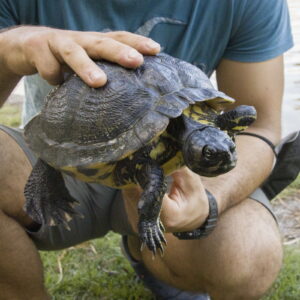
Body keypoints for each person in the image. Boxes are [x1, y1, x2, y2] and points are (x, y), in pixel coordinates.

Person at [0, 0, 295, 299]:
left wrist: (210, 202)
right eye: (212, 153)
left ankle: (148, 249)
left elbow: (259, 127)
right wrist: (8, 49)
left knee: (247, 252)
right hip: (78, 156)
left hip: (177, 175)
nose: (223, 155)